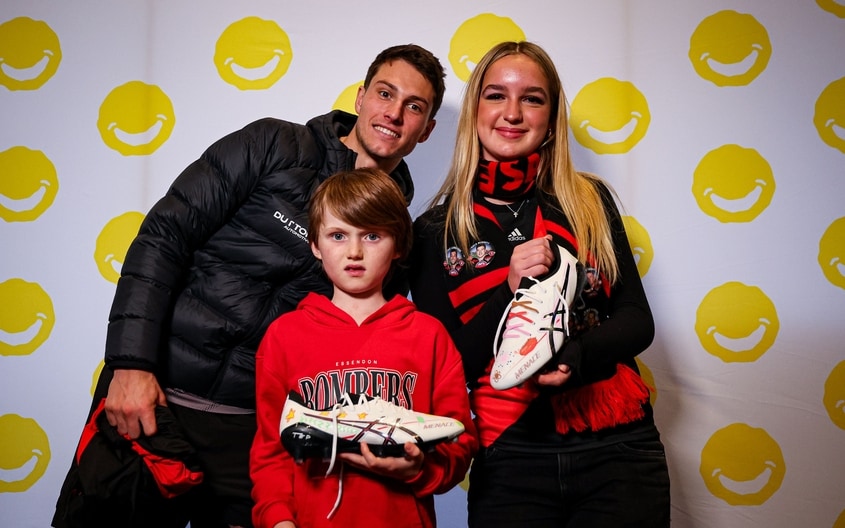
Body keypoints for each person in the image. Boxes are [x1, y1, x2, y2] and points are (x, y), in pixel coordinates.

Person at [53, 44, 446, 528]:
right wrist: (130, 364)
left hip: (254, 435)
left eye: (414, 106)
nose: (394, 113)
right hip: (154, 401)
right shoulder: (272, 145)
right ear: (362, 97)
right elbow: (164, 236)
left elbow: (361, 343)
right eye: (386, 93)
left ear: (426, 130)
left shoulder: (398, 231)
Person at [410, 41, 670, 527]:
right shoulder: (433, 230)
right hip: (511, 453)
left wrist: (575, 355)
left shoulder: (589, 201)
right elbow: (447, 364)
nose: (512, 113)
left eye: (532, 98)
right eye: (495, 96)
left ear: (551, 118)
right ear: (474, 112)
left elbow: (637, 321)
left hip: (618, 446)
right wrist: (507, 291)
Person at [250, 168, 477, 528]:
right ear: (315, 244)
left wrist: (419, 469)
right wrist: (278, 520)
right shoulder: (284, 336)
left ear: (399, 245)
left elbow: (458, 439)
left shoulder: (428, 335)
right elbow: (271, 450)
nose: (354, 251)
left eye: (372, 236)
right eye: (338, 235)